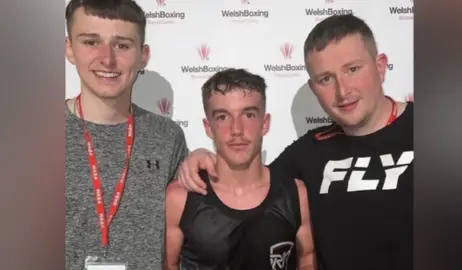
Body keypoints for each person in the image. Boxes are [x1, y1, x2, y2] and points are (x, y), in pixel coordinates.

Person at [176, 14, 414, 270]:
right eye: (326, 79)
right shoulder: (308, 151)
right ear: (313, 88)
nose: (343, 91)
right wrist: (199, 158)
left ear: (380, 66)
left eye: (353, 69)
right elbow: (247, 186)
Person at [65, 0, 188, 269]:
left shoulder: (168, 137)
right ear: (69, 49)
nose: (107, 58)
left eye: (122, 45)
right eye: (90, 42)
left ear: (143, 55)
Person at [164, 69, 316, 270]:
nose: (237, 130)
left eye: (249, 114)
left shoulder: (296, 194)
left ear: (265, 123)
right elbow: (168, 265)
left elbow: (307, 260)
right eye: (222, 117)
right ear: (208, 127)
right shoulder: (180, 197)